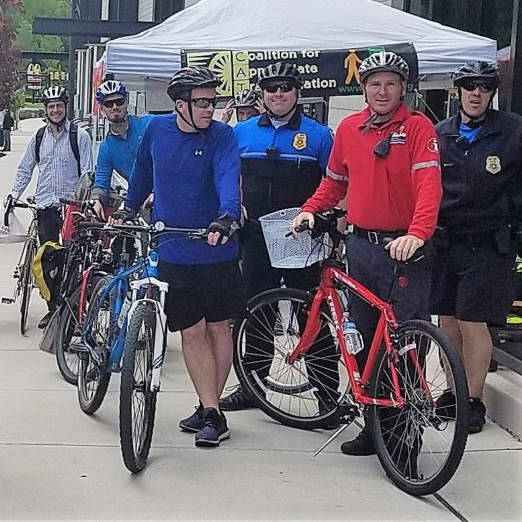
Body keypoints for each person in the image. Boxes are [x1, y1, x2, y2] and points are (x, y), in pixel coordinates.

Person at [294, 51, 442, 457]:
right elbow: (334, 183)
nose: (382, 90)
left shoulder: (417, 127)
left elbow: (429, 185)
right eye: (374, 83)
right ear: (364, 88)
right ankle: (373, 426)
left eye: (390, 83)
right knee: (364, 341)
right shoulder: (349, 128)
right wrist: (311, 209)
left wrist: (417, 233)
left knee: (406, 344)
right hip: (361, 249)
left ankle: (405, 438)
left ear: (402, 88)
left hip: (404, 250)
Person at [123, 66, 244, 447]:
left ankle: (211, 407)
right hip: (173, 245)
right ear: (180, 105)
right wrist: (128, 209)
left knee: (217, 327)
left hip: (215, 245)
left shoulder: (222, 136)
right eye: (203, 102)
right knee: (191, 330)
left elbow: (228, 177)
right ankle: (212, 409)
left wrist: (227, 216)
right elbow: (143, 174)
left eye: (214, 101)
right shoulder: (156, 131)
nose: (211, 108)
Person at [220, 62, 335, 412]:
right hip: (256, 234)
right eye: (271, 89)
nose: (279, 94)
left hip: (302, 237)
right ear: (262, 95)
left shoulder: (318, 135)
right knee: (255, 311)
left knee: (310, 314)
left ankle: (327, 394)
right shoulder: (242, 132)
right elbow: (227, 179)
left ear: (298, 92)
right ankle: (252, 388)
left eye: (286, 87)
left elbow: (335, 184)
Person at [431, 61, 522, 434]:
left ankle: (474, 399)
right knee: (448, 320)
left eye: (484, 87)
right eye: (469, 86)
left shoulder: (513, 131)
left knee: (472, 320)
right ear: (458, 90)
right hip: (446, 239)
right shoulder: (439, 133)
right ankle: (453, 393)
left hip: (489, 242)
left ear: (492, 92)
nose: (476, 93)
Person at [7, 85, 94, 329]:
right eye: (51, 107)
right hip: (46, 207)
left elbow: (87, 173)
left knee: (72, 261)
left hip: (72, 210)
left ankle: (73, 310)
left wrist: (86, 203)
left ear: (66, 108)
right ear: (45, 110)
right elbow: (25, 169)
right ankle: (53, 307)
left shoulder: (80, 137)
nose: (55, 110)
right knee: (47, 263)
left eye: (59, 106)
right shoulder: (39, 138)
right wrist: (14, 194)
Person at [89, 79, 150, 210]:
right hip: (140, 203)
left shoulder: (148, 124)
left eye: (119, 102)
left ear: (126, 102)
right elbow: (101, 181)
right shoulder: (107, 148)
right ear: (102, 108)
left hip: (166, 194)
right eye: (109, 104)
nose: (115, 107)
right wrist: (96, 200)